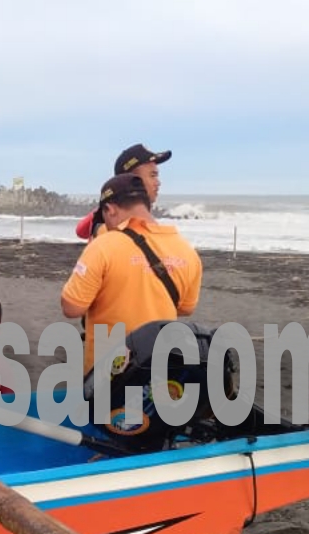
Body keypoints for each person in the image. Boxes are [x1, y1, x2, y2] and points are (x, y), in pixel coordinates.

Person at [62, 173, 203, 374]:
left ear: (110, 210)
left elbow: (71, 307)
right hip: (157, 368)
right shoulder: (187, 251)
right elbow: (186, 308)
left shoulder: (103, 246)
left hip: (108, 373)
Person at [74, 143, 170, 241]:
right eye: (152, 175)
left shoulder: (112, 214)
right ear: (132, 179)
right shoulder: (117, 224)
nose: (158, 182)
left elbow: (80, 230)